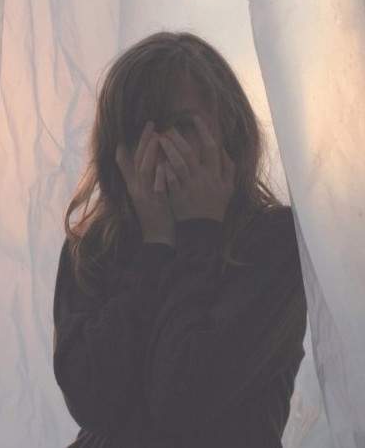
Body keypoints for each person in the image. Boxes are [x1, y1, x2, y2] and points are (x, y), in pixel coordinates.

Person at [52, 31, 307, 447]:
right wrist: (156, 247)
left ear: (229, 133)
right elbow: (91, 398)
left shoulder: (274, 245)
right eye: (141, 130)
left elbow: (185, 398)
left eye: (183, 127)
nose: (161, 149)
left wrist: (198, 233)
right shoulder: (93, 249)